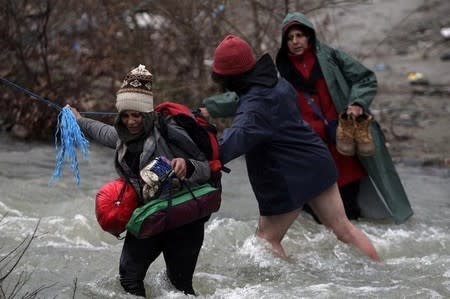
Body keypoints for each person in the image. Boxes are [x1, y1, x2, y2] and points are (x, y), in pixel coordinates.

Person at [204, 34, 380, 261]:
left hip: (291, 177)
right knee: (343, 229)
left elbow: (232, 142)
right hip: (317, 162)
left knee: (266, 240)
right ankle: (382, 269)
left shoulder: (255, 107)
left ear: (228, 78)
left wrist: (198, 157)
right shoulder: (276, 80)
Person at [69, 64, 211, 297]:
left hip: (183, 220)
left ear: (147, 114)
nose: (131, 121)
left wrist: (187, 165)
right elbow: (101, 132)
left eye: (136, 115)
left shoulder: (170, 133)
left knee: (180, 289)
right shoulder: (122, 137)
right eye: (125, 116)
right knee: (129, 279)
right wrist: (78, 119)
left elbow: (205, 168)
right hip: (148, 214)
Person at [275, 12, 413, 224]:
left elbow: (365, 78)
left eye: (299, 35)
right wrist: (212, 107)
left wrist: (357, 103)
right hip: (309, 151)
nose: (295, 41)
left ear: (309, 36)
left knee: (350, 211)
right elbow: (252, 96)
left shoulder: (331, 58)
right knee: (314, 218)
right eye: (290, 38)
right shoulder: (280, 72)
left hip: (343, 145)